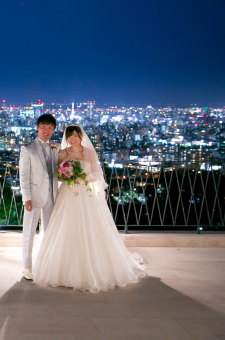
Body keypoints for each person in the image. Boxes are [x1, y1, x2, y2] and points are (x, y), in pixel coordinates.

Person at [34, 125, 146, 292]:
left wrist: (81, 178)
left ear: (80, 136)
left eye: (75, 136)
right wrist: (67, 176)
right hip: (67, 194)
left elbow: (96, 175)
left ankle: (95, 269)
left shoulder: (89, 153)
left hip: (85, 194)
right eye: (69, 136)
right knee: (66, 227)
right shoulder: (62, 153)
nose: (72, 139)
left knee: (91, 227)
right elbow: (56, 173)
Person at [19, 113, 58, 280]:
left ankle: (47, 265)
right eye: (43, 127)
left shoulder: (55, 148)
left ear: (54, 130)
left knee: (50, 232)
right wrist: (26, 197)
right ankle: (27, 267)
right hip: (33, 196)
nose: (46, 130)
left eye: (50, 128)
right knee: (29, 232)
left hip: (52, 195)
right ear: (37, 127)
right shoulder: (27, 148)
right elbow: (24, 175)